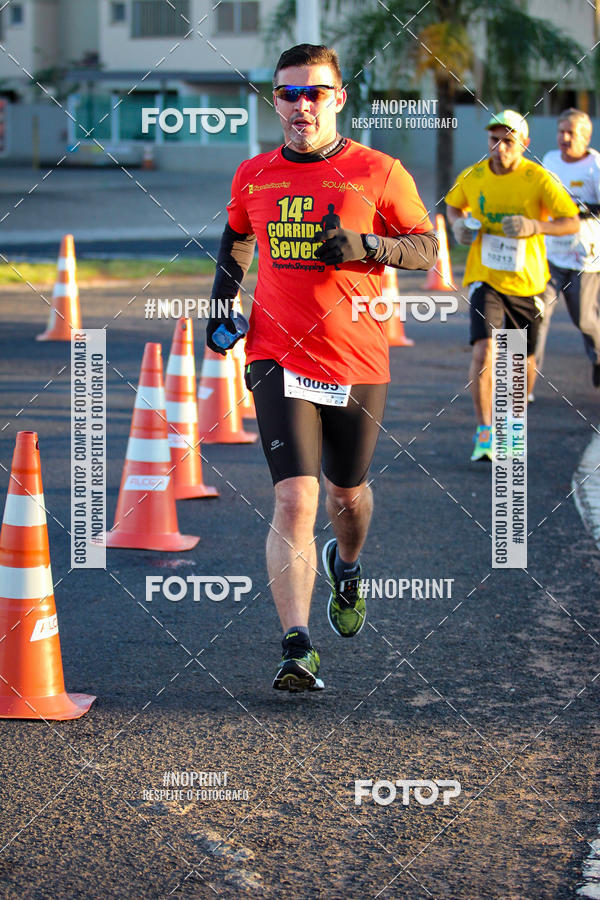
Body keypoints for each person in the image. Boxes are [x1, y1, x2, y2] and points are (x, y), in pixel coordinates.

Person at [206, 43, 437, 692]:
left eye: (315, 93)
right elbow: (236, 239)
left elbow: (425, 247)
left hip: (358, 360)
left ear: (338, 98)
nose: (301, 105)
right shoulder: (254, 174)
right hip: (276, 355)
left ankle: (349, 562)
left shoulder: (379, 171)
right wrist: (221, 305)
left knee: (345, 495)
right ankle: (296, 645)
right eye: (288, 93)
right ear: (274, 100)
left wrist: (367, 245)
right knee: (294, 496)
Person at [445, 110, 579, 461]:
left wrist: (536, 226)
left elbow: (571, 222)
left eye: (509, 140)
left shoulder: (538, 178)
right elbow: (453, 206)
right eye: (494, 140)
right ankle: (485, 431)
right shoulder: (473, 176)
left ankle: (513, 426)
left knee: (520, 361)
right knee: (484, 351)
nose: (500, 147)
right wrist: (459, 226)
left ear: (524, 144)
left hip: (527, 283)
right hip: (485, 278)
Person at [535, 108, 600, 389]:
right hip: (550, 254)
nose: (563, 137)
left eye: (570, 133)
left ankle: (598, 358)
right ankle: (525, 384)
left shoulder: (595, 167)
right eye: (560, 131)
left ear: (585, 137)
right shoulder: (549, 160)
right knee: (537, 315)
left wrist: (576, 210)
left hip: (583, 258)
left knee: (585, 320)